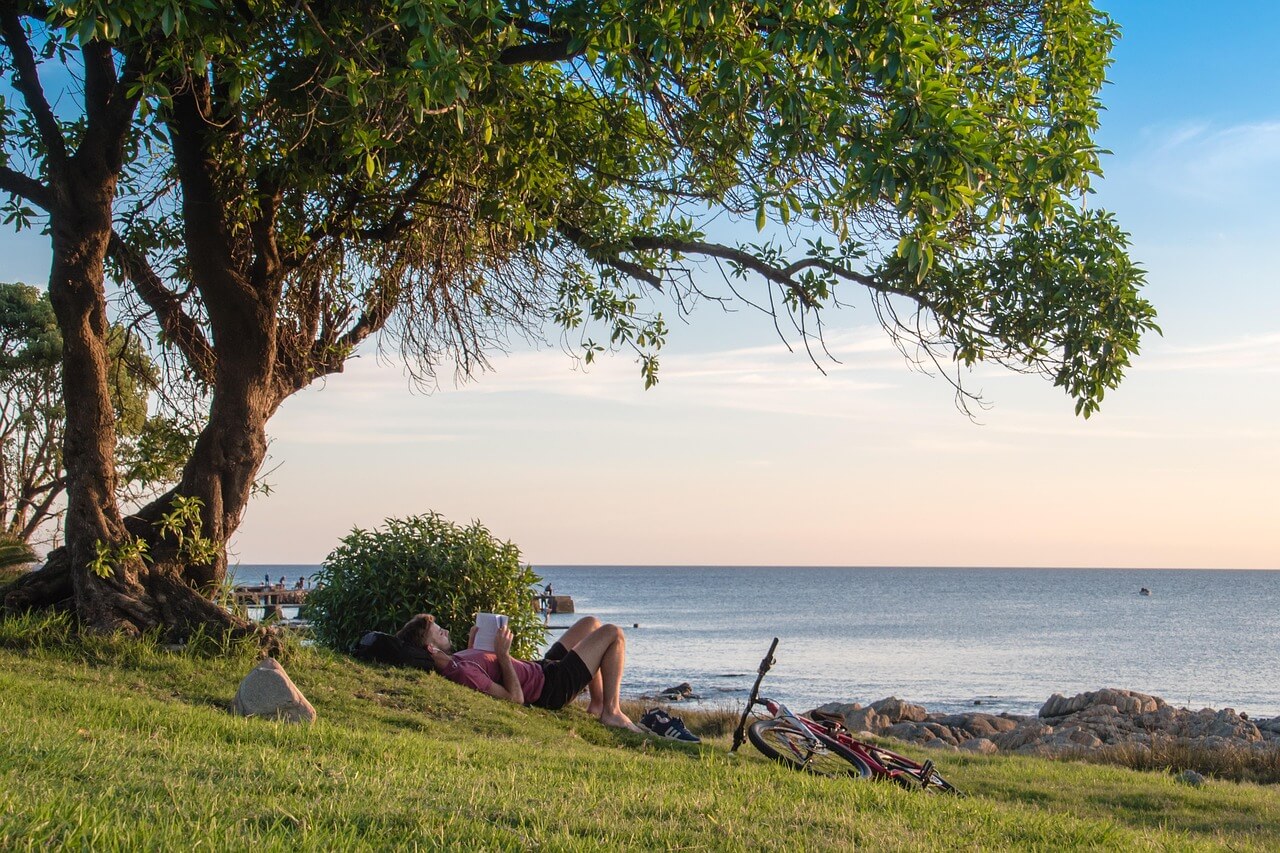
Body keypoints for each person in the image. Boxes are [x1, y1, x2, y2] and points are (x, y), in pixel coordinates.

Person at [396, 613, 642, 732]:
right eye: (440, 633)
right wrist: (503, 654)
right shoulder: (460, 671)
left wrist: (474, 644)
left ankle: (597, 705)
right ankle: (611, 711)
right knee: (613, 633)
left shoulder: (454, 661)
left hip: (539, 668)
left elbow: (481, 669)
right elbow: (515, 698)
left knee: (590, 623)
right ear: (431, 648)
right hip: (550, 687)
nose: (447, 632)